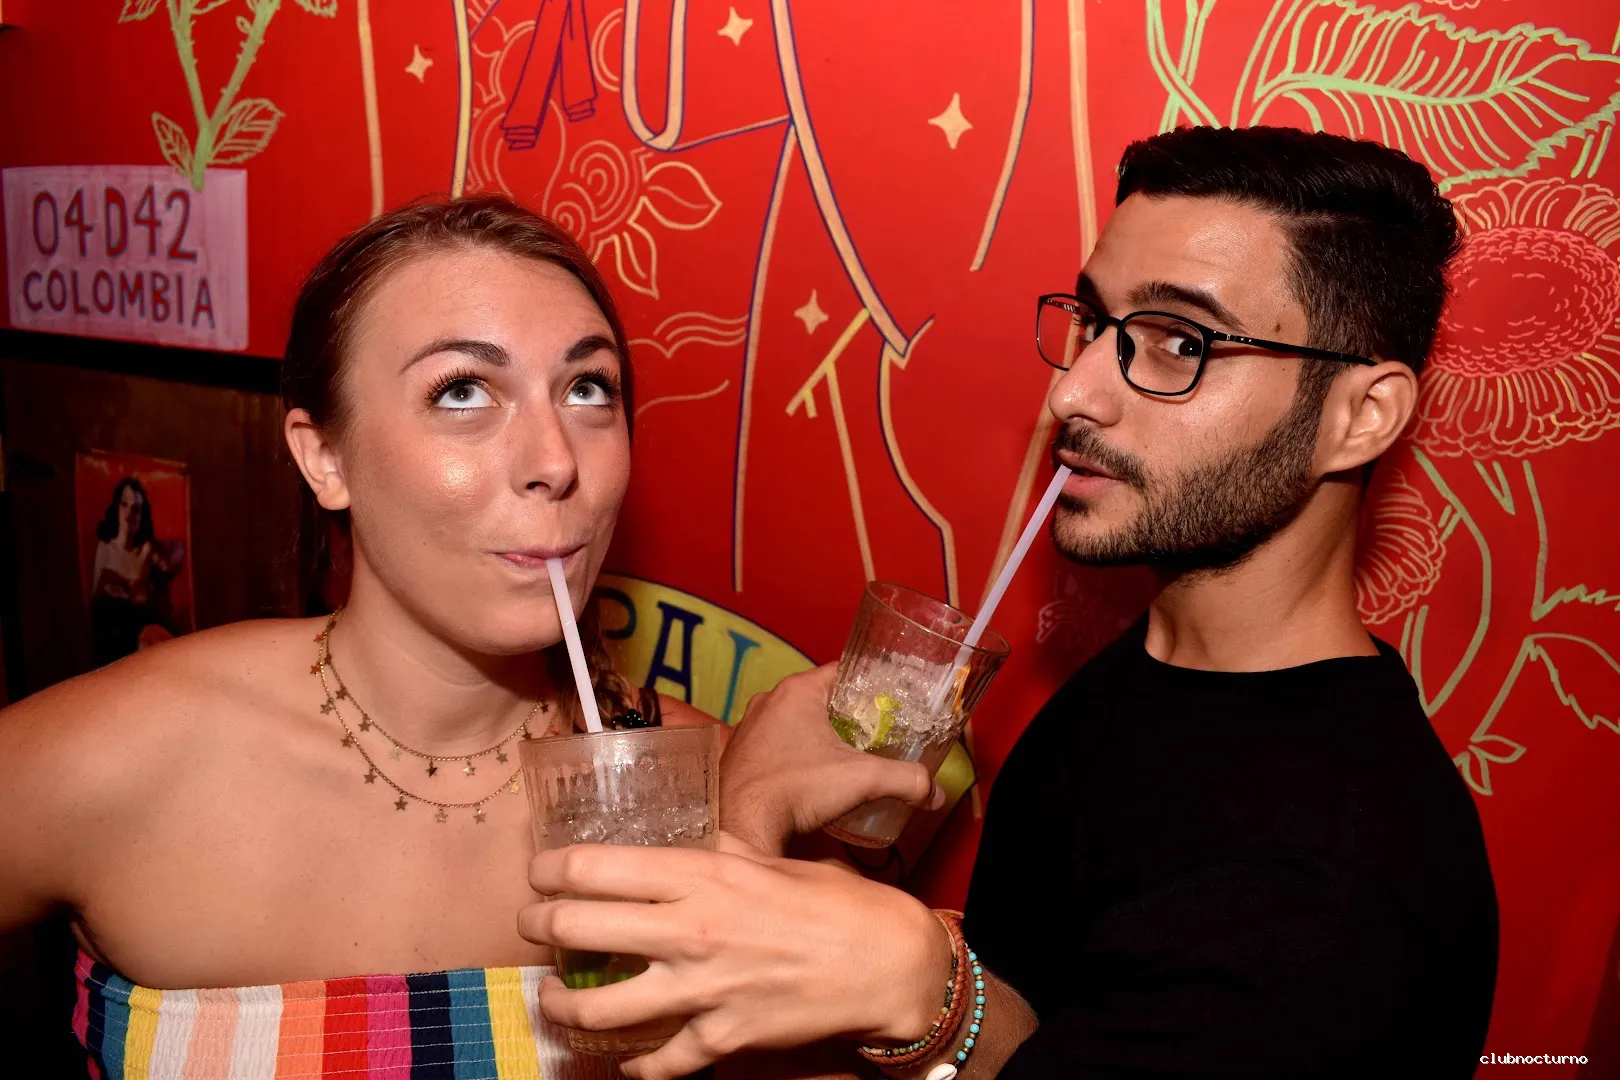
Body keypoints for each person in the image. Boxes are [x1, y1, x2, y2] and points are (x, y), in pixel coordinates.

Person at [516, 126, 1500, 1079]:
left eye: (1179, 342)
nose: (1074, 392)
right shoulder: (1150, 680)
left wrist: (925, 988)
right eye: (1094, 325)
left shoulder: (1333, 896)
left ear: (1360, 417)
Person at [0, 195, 721, 1076]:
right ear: (324, 458)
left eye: (587, 388)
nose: (556, 460)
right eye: (463, 391)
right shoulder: (130, 750)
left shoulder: (694, 791)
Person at [88, 476, 183, 664]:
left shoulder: (145, 551)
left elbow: (175, 556)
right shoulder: (105, 548)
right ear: (116, 507)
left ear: (141, 516)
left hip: (142, 634)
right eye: (124, 505)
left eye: (136, 509)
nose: (129, 514)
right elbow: (94, 600)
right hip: (114, 637)